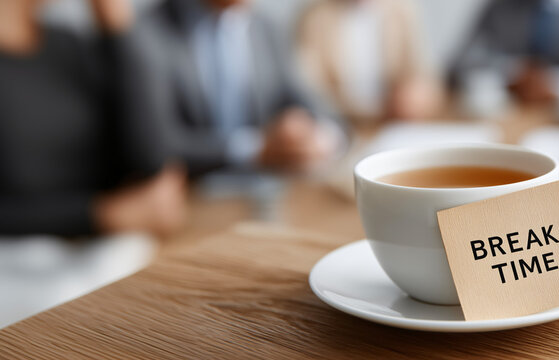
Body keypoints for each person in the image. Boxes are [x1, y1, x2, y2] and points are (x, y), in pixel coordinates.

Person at [0, 0, 186, 237]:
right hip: (27, 264)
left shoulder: (68, 45)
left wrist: (116, 26)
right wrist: (102, 215)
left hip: (107, 255)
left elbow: (151, 158)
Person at [131, 0, 346, 176]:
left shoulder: (266, 28)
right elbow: (154, 144)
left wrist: (316, 137)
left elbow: (318, 108)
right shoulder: (148, 31)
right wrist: (255, 149)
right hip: (188, 199)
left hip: (268, 194)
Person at [296, 0, 443, 125]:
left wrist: (414, 96)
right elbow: (309, 88)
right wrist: (364, 115)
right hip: (343, 126)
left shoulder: (402, 10)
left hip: (396, 124)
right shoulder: (314, 17)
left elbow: (422, 74)